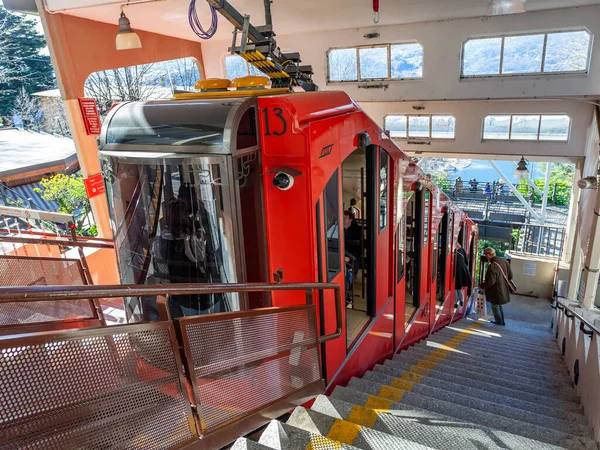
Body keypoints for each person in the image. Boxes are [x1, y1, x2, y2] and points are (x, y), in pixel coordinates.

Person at [479, 247, 513, 326]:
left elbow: (491, 281)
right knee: (499, 304)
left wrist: (482, 286)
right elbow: (510, 275)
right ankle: (501, 320)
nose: (485, 256)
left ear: (489, 255)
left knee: (495, 305)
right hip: (503, 287)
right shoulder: (504, 261)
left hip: (496, 289)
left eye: (485, 255)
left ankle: (499, 321)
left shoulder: (492, 265)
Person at [454, 243, 471, 307]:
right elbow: (466, 262)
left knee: (455, 287)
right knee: (459, 287)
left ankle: (455, 302)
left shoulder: (452, 250)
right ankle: (461, 300)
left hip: (455, 270)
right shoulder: (462, 250)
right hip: (462, 270)